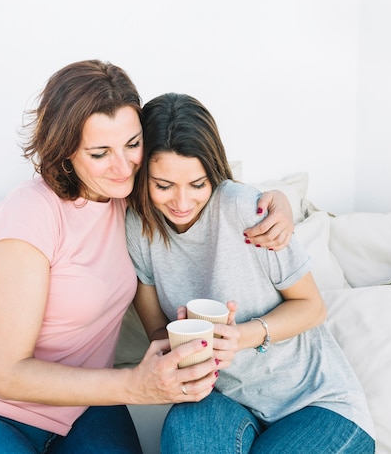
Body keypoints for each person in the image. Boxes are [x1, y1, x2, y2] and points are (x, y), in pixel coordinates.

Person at [0, 60, 295, 454]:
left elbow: (199, 182)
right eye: (99, 153)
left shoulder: (131, 197)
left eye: (132, 144)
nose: (123, 166)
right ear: (66, 151)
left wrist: (275, 203)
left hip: (86, 411)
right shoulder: (31, 210)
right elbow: (8, 376)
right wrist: (137, 386)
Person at [126, 92, 376, 454]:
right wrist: (181, 343)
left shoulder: (245, 209)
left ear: (213, 171)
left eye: (197, 184)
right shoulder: (140, 226)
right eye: (163, 186)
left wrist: (241, 336)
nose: (181, 203)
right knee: (184, 428)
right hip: (228, 402)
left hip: (316, 403)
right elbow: (156, 332)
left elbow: (312, 306)